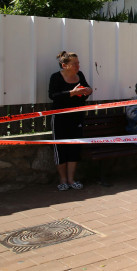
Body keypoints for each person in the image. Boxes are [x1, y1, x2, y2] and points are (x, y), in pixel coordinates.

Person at [49, 51, 93, 191]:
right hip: (60, 118)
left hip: (76, 118)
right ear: (64, 65)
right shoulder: (56, 77)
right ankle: (63, 180)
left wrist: (87, 91)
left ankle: (71, 179)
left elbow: (86, 92)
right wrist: (71, 93)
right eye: (74, 64)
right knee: (61, 148)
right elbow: (53, 96)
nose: (78, 66)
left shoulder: (80, 75)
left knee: (74, 148)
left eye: (78, 63)